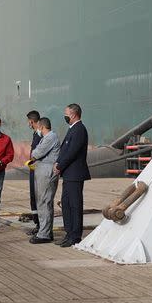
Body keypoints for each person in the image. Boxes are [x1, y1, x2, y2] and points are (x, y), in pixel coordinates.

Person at [54, 104, 91, 247]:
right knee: (66, 205)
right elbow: (65, 150)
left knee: (75, 206)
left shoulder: (79, 129)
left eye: (66, 113)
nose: (65, 116)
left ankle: (75, 236)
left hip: (75, 175)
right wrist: (59, 162)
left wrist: (59, 165)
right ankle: (69, 234)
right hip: (68, 174)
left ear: (74, 114)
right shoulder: (72, 129)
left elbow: (72, 152)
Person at [27, 117, 60, 244]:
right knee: (42, 202)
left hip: (46, 173)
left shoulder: (50, 137)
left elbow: (36, 153)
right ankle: (45, 231)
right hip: (42, 172)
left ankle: (44, 234)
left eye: (38, 128)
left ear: (41, 127)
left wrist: (35, 153)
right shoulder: (46, 138)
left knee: (44, 202)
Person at [26, 110, 41, 235]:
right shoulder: (35, 134)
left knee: (38, 197)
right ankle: (37, 223)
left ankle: (40, 225)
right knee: (33, 197)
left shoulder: (40, 135)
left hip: (38, 170)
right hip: (33, 169)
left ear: (31, 121)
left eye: (28, 122)